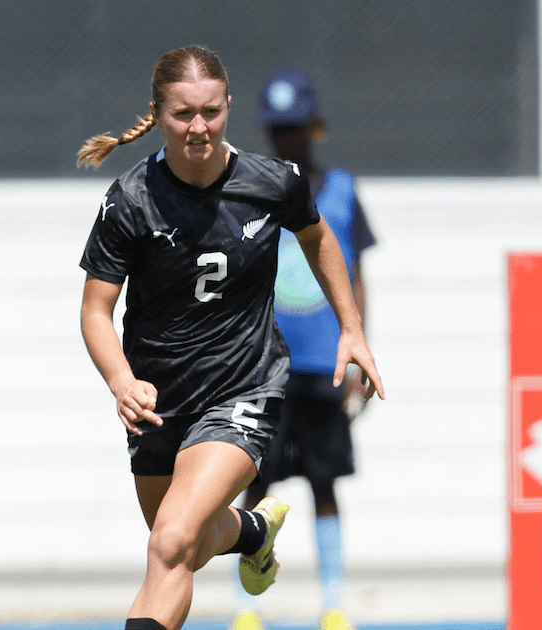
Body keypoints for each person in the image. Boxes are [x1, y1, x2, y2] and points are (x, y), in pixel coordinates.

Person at [77, 46, 385, 630]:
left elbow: (319, 239)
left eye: (211, 113)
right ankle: (255, 530)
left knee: (169, 545)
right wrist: (121, 379)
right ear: (157, 114)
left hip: (243, 389)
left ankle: (323, 590)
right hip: (157, 399)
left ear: (228, 109)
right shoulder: (129, 200)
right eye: (183, 114)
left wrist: (352, 329)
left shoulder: (272, 184)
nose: (198, 127)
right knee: (185, 546)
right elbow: (96, 311)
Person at [231, 68, 377, 630]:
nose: (285, 140)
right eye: (277, 130)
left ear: (316, 128)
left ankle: (334, 604)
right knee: (252, 481)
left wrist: (358, 343)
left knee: (325, 481)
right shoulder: (249, 190)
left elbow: (357, 272)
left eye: (294, 129)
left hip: (324, 363)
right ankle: (247, 608)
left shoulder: (342, 189)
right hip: (262, 366)